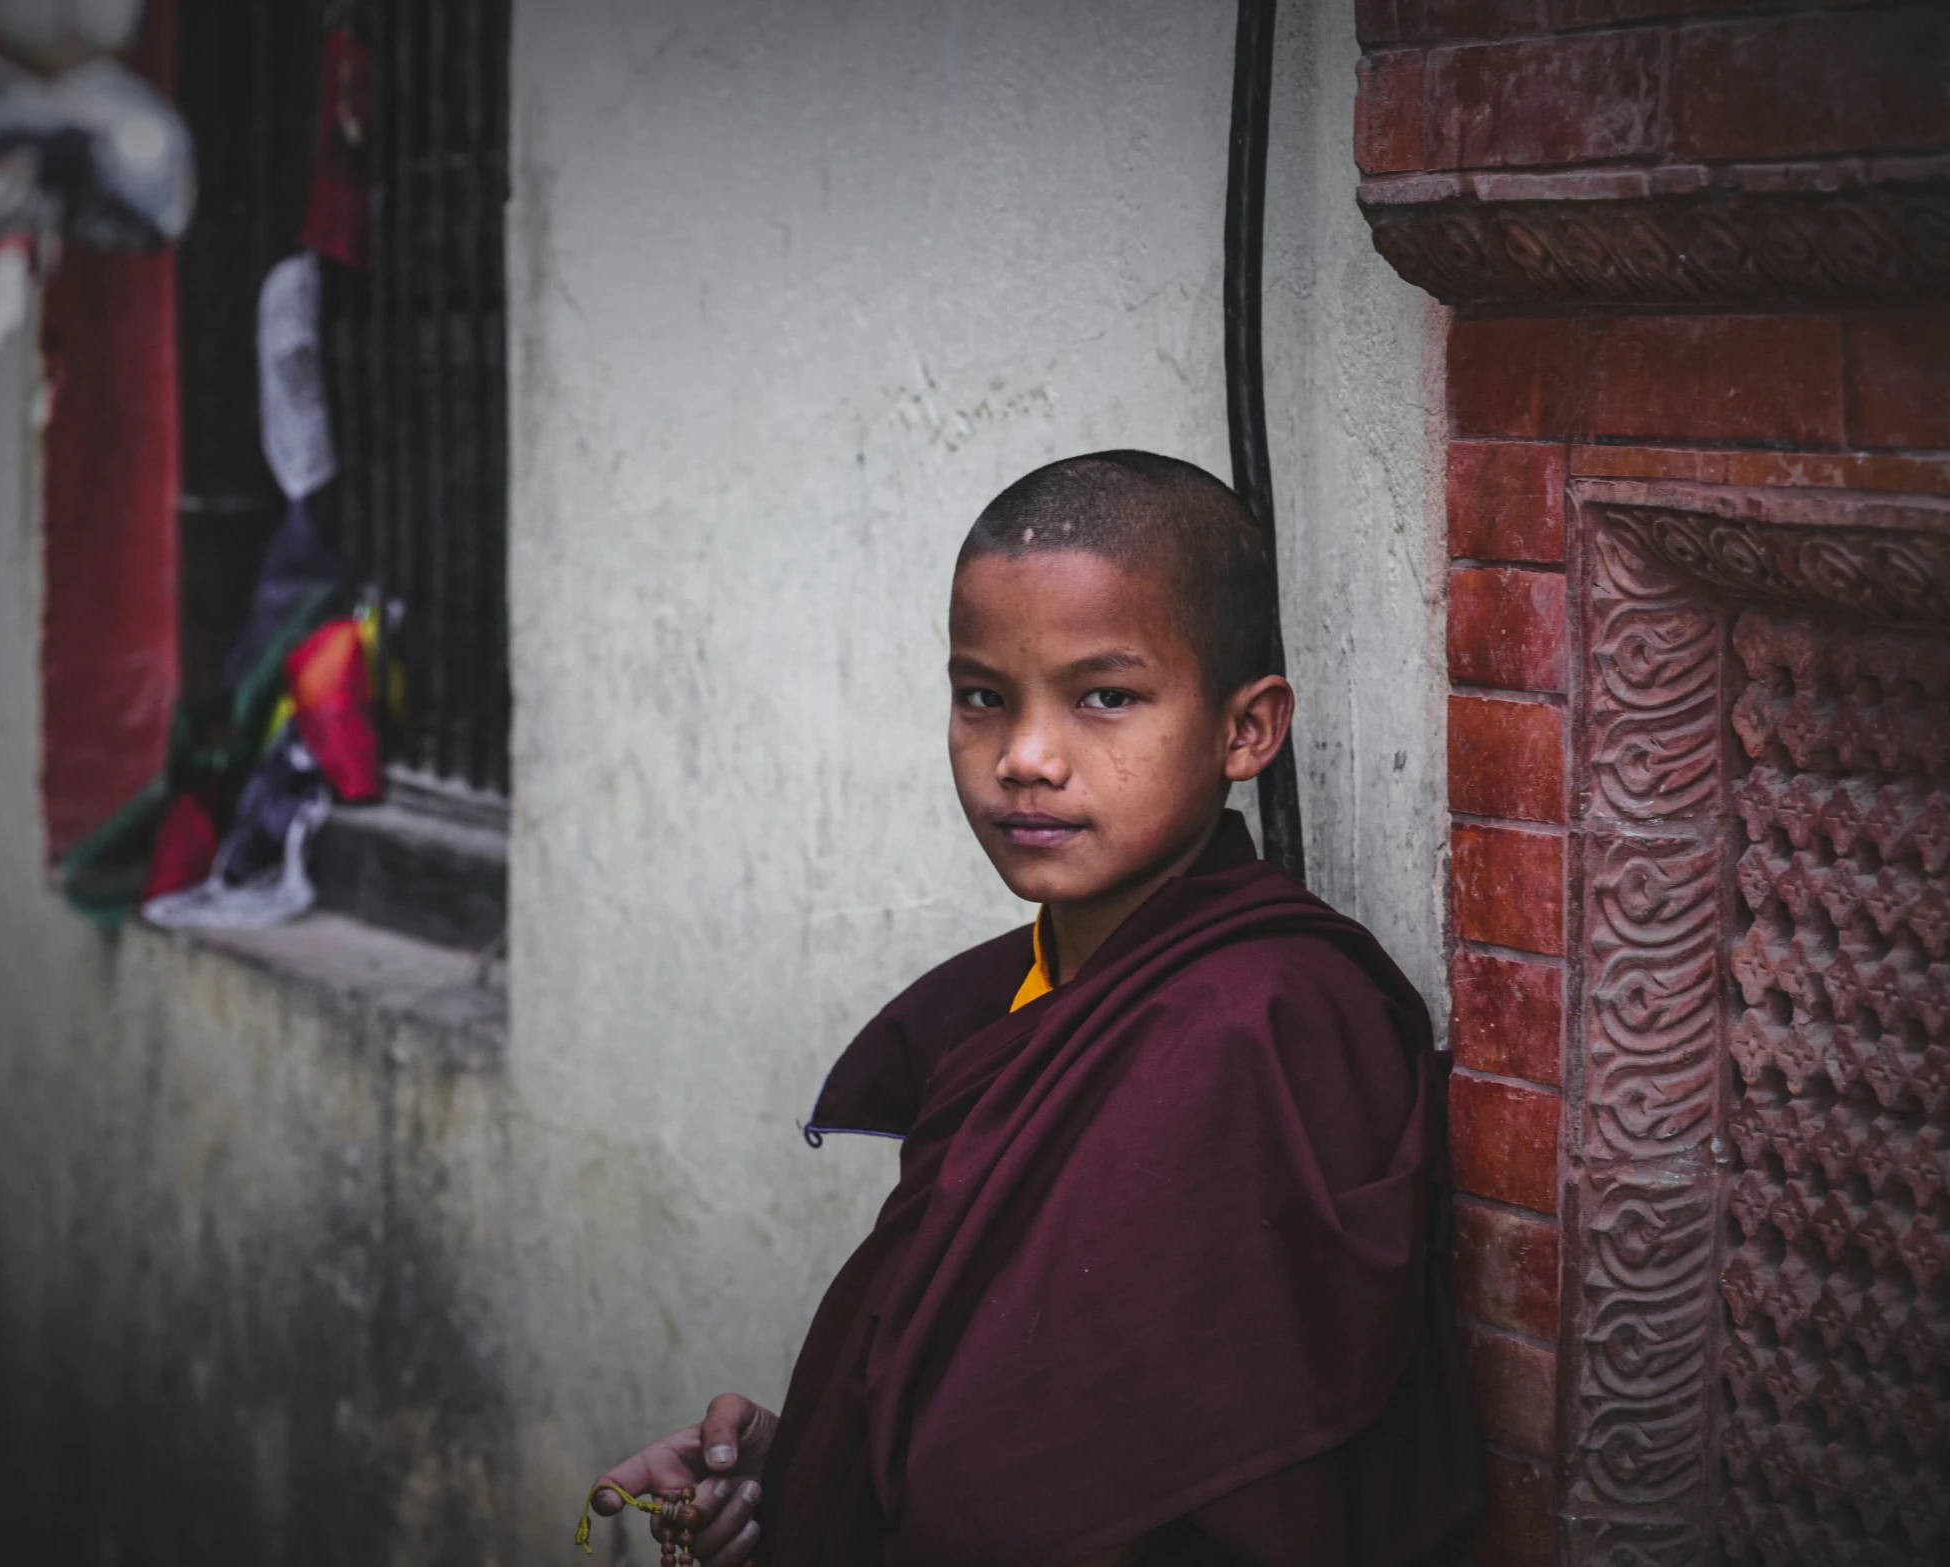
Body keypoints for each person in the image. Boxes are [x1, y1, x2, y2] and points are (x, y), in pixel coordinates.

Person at [589, 452, 1483, 1566]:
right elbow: (992, 1416)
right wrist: (804, 1468)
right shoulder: (1008, 1005)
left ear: (1246, 731)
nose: (1023, 757)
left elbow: (1219, 1484)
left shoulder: (1264, 1027)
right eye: (983, 697)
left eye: (1105, 697)